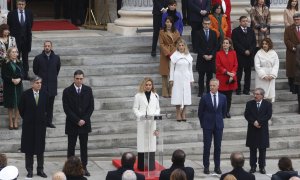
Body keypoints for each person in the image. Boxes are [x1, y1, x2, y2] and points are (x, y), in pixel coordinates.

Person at [62, 70, 94, 176]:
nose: (79, 80)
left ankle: (84, 167)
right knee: (71, 147)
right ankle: (69, 169)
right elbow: (66, 109)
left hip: (84, 124)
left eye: (81, 78)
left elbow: (91, 107)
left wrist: (84, 119)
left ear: (83, 78)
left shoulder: (88, 90)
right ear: (73, 78)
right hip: (72, 123)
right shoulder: (67, 91)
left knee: (84, 147)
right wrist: (77, 120)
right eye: (77, 78)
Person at [18, 76, 48, 178]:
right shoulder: (25, 95)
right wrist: (28, 118)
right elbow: (21, 109)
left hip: (40, 126)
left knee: (40, 149)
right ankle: (29, 170)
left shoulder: (44, 94)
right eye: (37, 83)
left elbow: (46, 108)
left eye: (40, 83)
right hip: (29, 126)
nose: (39, 84)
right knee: (29, 149)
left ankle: (40, 170)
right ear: (32, 84)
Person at [198, 78, 227, 175]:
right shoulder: (205, 97)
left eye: (214, 85)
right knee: (207, 146)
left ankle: (217, 166)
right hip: (207, 125)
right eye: (210, 85)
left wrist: (219, 120)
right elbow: (200, 112)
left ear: (218, 86)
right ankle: (206, 166)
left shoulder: (223, 97)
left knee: (217, 147)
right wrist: (204, 124)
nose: (212, 87)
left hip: (218, 125)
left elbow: (224, 111)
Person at [133, 77, 160, 171]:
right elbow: (135, 108)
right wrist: (141, 115)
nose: (148, 86)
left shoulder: (155, 95)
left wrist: (155, 115)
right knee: (142, 142)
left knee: (151, 142)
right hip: (142, 122)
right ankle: (141, 166)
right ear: (143, 85)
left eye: (150, 85)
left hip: (152, 122)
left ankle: (151, 165)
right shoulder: (138, 96)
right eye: (147, 85)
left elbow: (158, 108)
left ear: (152, 86)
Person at [33, 41, 61, 128]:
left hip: (52, 85)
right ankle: (41, 122)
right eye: (45, 46)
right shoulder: (38, 58)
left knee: (50, 106)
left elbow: (57, 69)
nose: (47, 47)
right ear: (43, 47)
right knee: (41, 105)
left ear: (51, 47)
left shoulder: (56, 58)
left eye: (49, 46)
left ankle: (49, 122)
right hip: (42, 85)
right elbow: (35, 70)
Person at [244, 87, 272, 174]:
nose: (255, 96)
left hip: (262, 129)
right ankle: (253, 166)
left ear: (262, 96)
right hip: (252, 129)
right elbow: (246, 115)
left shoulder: (267, 104)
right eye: (254, 94)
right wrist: (253, 122)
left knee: (262, 150)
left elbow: (268, 115)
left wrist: (259, 122)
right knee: (252, 149)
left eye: (257, 94)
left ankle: (262, 166)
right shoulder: (249, 104)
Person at [7, 0, 33, 80]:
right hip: (15, 40)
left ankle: (25, 74)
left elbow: (30, 25)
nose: (21, 6)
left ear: (25, 5)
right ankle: (16, 74)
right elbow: (9, 26)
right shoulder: (11, 14)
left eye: (22, 4)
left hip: (26, 40)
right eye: (19, 4)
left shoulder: (29, 13)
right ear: (17, 5)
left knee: (25, 58)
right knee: (15, 57)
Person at [170, 38, 194, 122]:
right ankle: (178, 113)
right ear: (177, 46)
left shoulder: (188, 56)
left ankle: (184, 113)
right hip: (177, 77)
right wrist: (171, 79)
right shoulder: (174, 55)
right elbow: (172, 69)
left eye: (182, 45)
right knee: (177, 94)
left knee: (186, 95)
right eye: (179, 45)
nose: (181, 47)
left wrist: (191, 79)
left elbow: (190, 69)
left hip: (186, 77)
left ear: (185, 46)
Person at [232, 16, 256, 95]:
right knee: (238, 74)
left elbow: (254, 42)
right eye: (243, 21)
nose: (245, 22)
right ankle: (238, 89)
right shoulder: (235, 31)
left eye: (246, 21)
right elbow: (235, 43)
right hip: (240, 55)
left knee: (248, 74)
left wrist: (250, 50)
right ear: (240, 22)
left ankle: (246, 90)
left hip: (249, 55)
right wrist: (244, 51)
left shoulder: (251, 30)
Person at [196, 17, 218, 97]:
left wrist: (212, 55)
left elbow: (216, 46)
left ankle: (209, 92)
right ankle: (201, 92)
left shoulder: (213, 33)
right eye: (205, 24)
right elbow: (197, 46)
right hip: (202, 58)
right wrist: (203, 55)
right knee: (201, 77)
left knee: (210, 76)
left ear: (210, 24)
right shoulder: (198, 33)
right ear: (202, 24)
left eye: (208, 24)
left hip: (211, 59)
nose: (206, 25)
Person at [216, 37, 238, 118]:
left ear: (230, 45)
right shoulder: (219, 53)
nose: (225, 44)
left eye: (227, 43)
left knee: (229, 97)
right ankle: (222, 112)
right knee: (221, 96)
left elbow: (236, 65)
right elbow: (218, 66)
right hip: (222, 77)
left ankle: (227, 111)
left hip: (231, 78)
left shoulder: (233, 53)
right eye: (224, 43)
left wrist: (232, 73)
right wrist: (227, 73)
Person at [1, 47, 23, 130]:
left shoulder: (19, 62)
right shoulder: (5, 62)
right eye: (13, 52)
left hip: (18, 85)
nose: (15, 54)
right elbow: (3, 75)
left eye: (16, 52)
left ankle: (16, 121)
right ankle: (10, 121)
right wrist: (12, 80)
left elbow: (23, 73)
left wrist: (19, 79)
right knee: (10, 105)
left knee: (17, 104)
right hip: (9, 86)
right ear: (9, 53)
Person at [159, 16, 180, 98]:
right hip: (165, 55)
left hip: (174, 54)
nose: (169, 24)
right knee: (165, 74)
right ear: (165, 23)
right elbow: (161, 44)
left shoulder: (176, 32)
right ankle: (165, 92)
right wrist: (167, 53)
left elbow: (178, 43)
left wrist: (173, 52)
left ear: (172, 23)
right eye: (167, 22)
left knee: (173, 73)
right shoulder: (161, 32)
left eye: (170, 22)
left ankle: (172, 91)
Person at [254, 38, 279, 102]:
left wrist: (272, 75)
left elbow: (276, 65)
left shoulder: (274, 53)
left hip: (271, 75)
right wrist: (264, 75)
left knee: (270, 93)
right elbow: (257, 66)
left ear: (269, 44)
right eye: (263, 44)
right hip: (261, 76)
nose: (264, 45)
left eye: (266, 44)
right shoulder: (258, 53)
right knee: (261, 92)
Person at [284, 13, 300, 94]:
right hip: (292, 53)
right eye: (295, 19)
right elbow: (286, 40)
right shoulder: (289, 29)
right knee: (292, 71)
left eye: (298, 19)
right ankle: (292, 89)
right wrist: (294, 48)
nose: (297, 21)